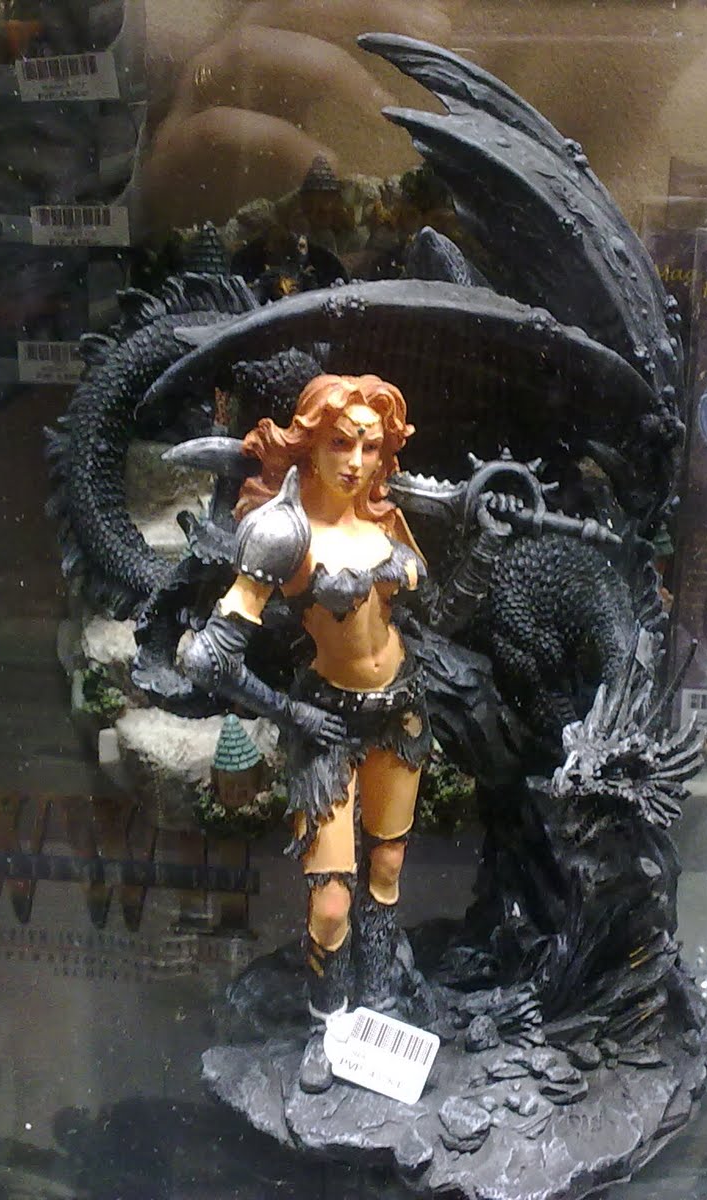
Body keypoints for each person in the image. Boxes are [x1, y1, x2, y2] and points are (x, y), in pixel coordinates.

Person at [179, 373, 429, 1092]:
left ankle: (376, 1000)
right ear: (312, 443)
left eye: (370, 448)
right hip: (327, 724)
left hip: (402, 713)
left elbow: (436, 611)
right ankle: (330, 1023)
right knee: (330, 899)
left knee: (387, 868)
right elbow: (208, 658)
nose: (356, 461)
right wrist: (289, 714)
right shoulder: (282, 531)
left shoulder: (386, 521)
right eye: (342, 443)